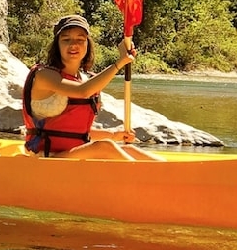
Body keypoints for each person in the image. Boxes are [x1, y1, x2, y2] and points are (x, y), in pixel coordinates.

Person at [22, 14, 163, 160]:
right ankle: (147, 178)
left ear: (87, 44)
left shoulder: (85, 78)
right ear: (57, 45)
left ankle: (168, 174)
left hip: (72, 156)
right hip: (46, 158)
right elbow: (82, 91)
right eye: (66, 39)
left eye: (80, 40)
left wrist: (113, 134)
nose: (73, 45)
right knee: (105, 147)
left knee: (129, 149)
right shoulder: (44, 75)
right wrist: (120, 63)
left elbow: (74, 130)